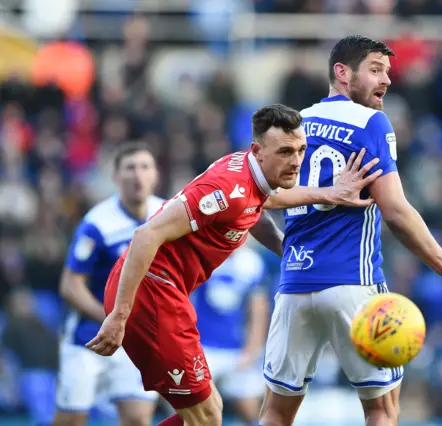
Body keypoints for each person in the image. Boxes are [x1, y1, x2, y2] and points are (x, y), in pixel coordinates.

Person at [85, 104, 382, 426]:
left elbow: (260, 206)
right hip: (151, 294)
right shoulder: (227, 189)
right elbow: (145, 235)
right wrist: (119, 316)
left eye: (300, 150)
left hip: (162, 294)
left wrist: (328, 197)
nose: (296, 161)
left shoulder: (249, 179)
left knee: (205, 408)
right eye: (285, 152)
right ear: (258, 151)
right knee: (208, 415)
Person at [258, 35, 442, 426]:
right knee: (381, 411)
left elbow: (251, 202)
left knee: (276, 414)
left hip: (294, 287)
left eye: (388, 71)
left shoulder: (293, 124)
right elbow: (396, 213)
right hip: (354, 283)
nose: (386, 80)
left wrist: (288, 251)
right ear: (342, 73)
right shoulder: (371, 122)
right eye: (375, 70)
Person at [53, 142, 161, 426]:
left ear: (155, 175)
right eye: (130, 168)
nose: (138, 175)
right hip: (89, 337)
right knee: (71, 420)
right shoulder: (97, 223)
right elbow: (70, 285)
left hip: (137, 339)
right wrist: (112, 320)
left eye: (144, 167)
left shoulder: (167, 214)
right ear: (116, 178)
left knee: (138, 419)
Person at [191, 242, 268, 425]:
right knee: (194, 409)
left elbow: (258, 311)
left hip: (236, 348)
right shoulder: (202, 256)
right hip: (203, 347)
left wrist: (251, 351)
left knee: (250, 408)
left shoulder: (252, 263)